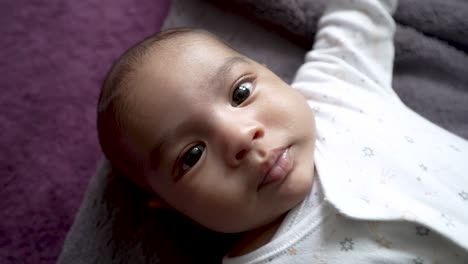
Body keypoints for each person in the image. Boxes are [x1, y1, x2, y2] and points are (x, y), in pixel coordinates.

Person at [97, 0, 468, 262]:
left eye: (241, 93)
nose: (240, 136)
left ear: (269, 73)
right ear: (172, 206)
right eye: (192, 155)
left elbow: (359, 14)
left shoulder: (335, 89)